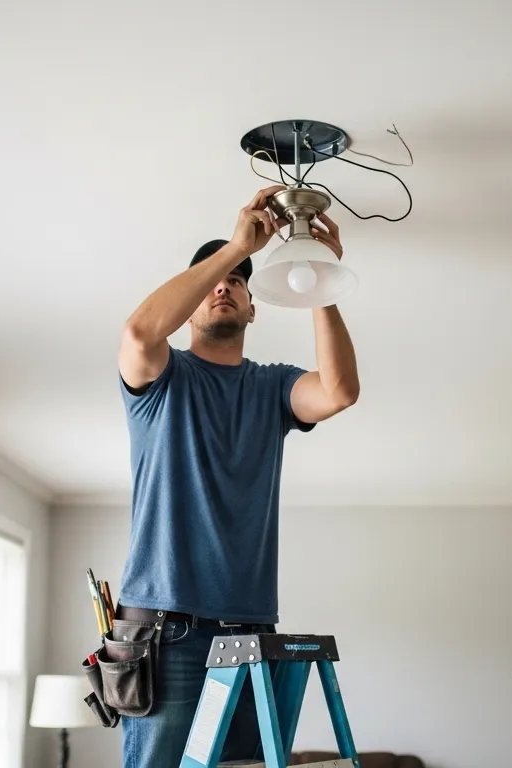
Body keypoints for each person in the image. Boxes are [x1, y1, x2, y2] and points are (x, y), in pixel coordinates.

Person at [112, 184, 360, 766]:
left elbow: (340, 391)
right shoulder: (161, 379)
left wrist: (318, 276)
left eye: (239, 282)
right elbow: (139, 335)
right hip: (162, 631)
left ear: (253, 308)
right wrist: (231, 250)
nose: (224, 286)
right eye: (211, 281)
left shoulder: (273, 386)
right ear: (195, 300)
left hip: (249, 631)